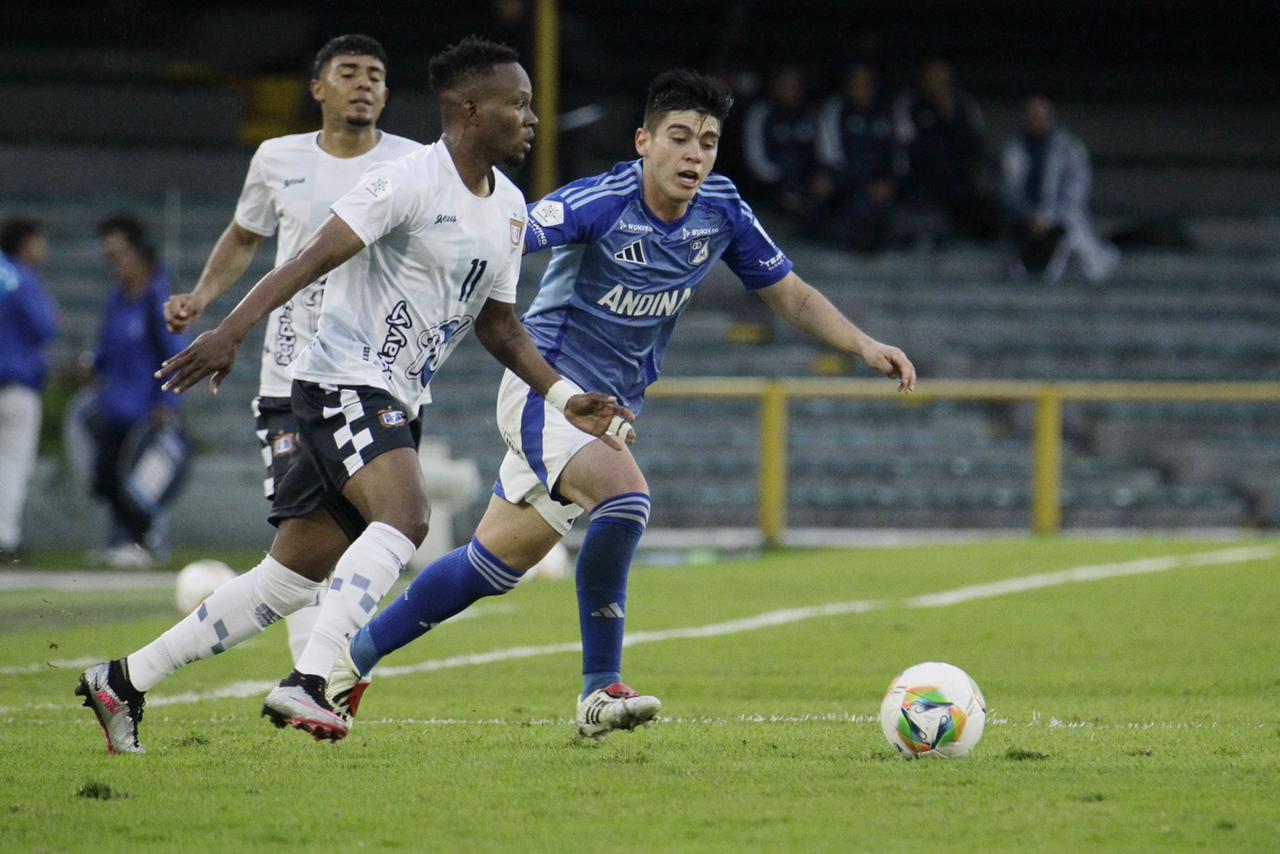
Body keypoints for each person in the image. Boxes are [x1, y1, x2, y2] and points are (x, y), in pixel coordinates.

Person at [75, 36, 632, 755]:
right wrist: (231, 331)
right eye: (517, 103)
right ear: (470, 110)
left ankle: (124, 680)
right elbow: (309, 261)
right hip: (341, 381)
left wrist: (563, 397)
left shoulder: (513, 210)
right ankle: (312, 680)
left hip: (399, 396)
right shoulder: (406, 181)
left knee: (287, 580)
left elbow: (500, 327)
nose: (531, 117)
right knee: (406, 516)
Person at [326, 69, 916, 742]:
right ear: (644, 142)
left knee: (489, 568)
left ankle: (344, 662)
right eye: (679, 138)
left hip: (607, 412)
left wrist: (863, 345)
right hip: (547, 389)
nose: (695, 155)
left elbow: (792, 295)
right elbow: (507, 234)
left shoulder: (722, 211)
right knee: (626, 497)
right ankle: (598, 690)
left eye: (708, 142)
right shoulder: (601, 202)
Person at [164, 34, 420, 669]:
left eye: (376, 76)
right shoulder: (278, 158)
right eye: (349, 72)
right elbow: (245, 236)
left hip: (374, 375)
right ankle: (314, 677)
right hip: (289, 376)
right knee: (301, 538)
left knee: (356, 532)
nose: (364, 84)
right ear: (318, 88)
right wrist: (202, 297)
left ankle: (312, 678)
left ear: (387, 94)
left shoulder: (414, 164)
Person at [87, 214, 188, 568]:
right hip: (114, 405)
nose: (119, 267)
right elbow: (106, 347)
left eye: (126, 260)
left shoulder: (157, 300)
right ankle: (121, 539)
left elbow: (176, 353)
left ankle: (146, 539)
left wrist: (169, 401)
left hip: (145, 410)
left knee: (140, 481)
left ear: (143, 261)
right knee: (109, 476)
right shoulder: (118, 297)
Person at [1001, 94, 1120, 283]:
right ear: (1023, 119)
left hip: (1062, 217)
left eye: (1041, 117)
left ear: (1051, 118)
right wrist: (1031, 215)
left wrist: (1048, 216)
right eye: (1032, 117)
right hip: (1026, 221)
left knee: (1071, 240)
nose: (1037, 122)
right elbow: (1011, 191)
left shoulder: (1070, 148)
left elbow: (1078, 189)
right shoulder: (1015, 150)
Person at [0, 218, 60, 560]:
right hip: (15, 385)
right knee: (11, 463)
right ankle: (5, 540)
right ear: (25, 243)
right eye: (39, 240)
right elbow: (46, 326)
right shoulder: (21, 277)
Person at [893, 59, 999, 242]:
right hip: (921, 182)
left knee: (989, 210)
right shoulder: (908, 104)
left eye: (942, 81)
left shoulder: (965, 104)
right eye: (932, 80)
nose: (937, 86)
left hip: (959, 181)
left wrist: (949, 118)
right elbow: (908, 146)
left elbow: (975, 145)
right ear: (922, 81)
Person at [814, 63, 900, 252]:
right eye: (856, 84)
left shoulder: (886, 112)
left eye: (866, 84)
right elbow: (831, 157)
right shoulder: (834, 110)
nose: (861, 90)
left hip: (881, 187)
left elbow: (898, 155)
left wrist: (888, 181)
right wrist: (865, 182)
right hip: (846, 185)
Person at [740, 64, 819, 221]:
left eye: (796, 85)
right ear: (774, 87)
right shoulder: (761, 113)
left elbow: (821, 153)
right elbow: (756, 162)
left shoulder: (810, 114)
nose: (792, 91)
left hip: (807, 185)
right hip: (769, 187)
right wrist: (784, 184)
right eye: (785, 85)